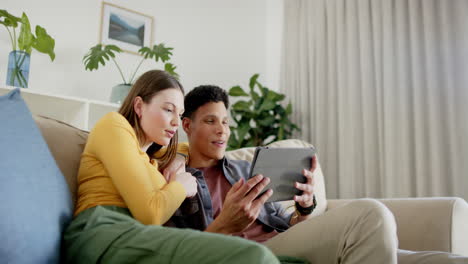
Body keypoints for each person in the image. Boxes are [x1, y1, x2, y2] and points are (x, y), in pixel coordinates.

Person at [171, 84, 468, 264]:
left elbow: (290, 223)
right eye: (211, 121)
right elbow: (179, 250)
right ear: (187, 125)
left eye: (225, 121)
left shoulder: (245, 170)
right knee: (370, 214)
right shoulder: (175, 179)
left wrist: (305, 206)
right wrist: (225, 224)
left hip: (287, 238)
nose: (223, 130)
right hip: (256, 251)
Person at [63, 70, 280, 264]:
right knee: (256, 257)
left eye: (180, 114)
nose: (176, 123)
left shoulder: (151, 156)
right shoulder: (114, 125)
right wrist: (181, 186)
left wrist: (178, 158)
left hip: (136, 233)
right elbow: (151, 213)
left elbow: (187, 147)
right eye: (168, 110)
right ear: (139, 106)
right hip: (103, 231)